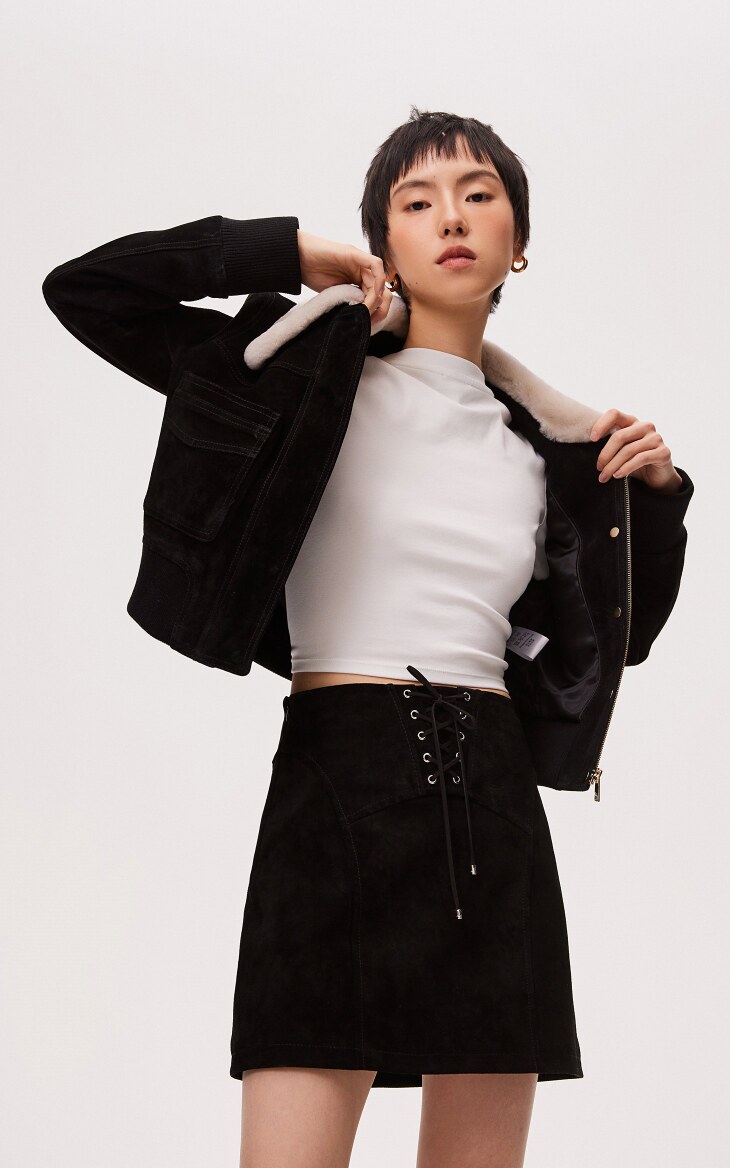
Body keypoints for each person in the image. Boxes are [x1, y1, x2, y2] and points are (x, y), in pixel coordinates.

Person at [42, 107, 694, 1168]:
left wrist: (655, 498)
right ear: (381, 239)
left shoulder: (555, 453)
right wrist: (281, 252)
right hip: (335, 789)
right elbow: (85, 291)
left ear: (519, 241)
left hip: (492, 805)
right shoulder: (292, 376)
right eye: (417, 200)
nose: (452, 218)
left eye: (479, 195)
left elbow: (619, 644)